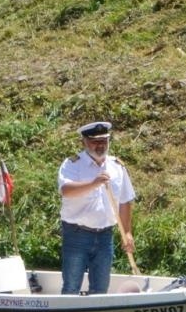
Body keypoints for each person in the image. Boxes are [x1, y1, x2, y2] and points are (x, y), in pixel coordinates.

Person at [57, 121, 135, 295]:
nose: (100, 145)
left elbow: (125, 201)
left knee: (100, 288)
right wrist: (93, 184)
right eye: (95, 141)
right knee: (71, 286)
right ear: (84, 142)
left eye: (104, 141)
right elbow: (66, 190)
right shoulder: (72, 164)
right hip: (77, 234)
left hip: (105, 235)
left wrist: (127, 232)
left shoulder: (117, 166)